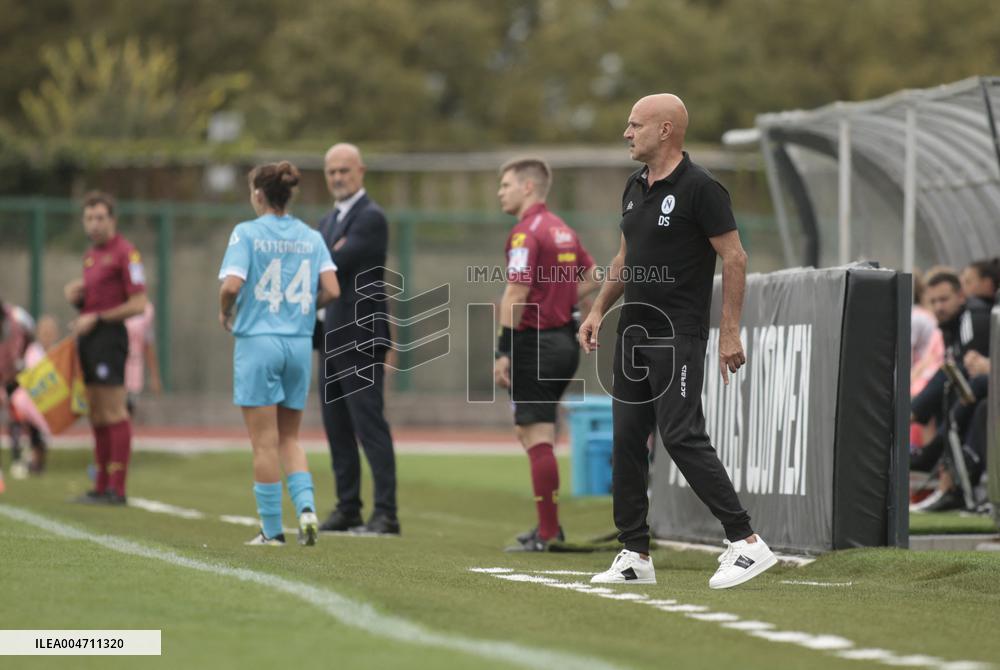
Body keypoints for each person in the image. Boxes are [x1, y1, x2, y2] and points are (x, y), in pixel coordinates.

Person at [578, 94, 776, 589]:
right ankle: (634, 554)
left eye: (635, 125)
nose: (627, 133)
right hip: (633, 333)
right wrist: (599, 309)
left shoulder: (702, 188)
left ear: (665, 130)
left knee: (681, 435)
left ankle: (747, 543)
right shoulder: (634, 185)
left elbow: (735, 258)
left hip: (678, 334)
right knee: (626, 439)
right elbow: (625, 255)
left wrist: (729, 329)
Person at [218, 161, 340, 546]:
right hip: (299, 344)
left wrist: (225, 311)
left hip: (259, 342)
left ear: (258, 194)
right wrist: (304, 306)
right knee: (290, 438)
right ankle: (306, 509)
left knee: (264, 443)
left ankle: (272, 531)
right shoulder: (311, 236)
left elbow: (232, 285)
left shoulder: (246, 233)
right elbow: (333, 290)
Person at [493, 157, 599, 552]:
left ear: (527, 187)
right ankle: (548, 525)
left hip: (534, 344)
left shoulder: (524, 234)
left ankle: (549, 531)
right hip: (563, 342)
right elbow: (593, 275)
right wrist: (563, 299)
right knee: (536, 432)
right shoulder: (563, 231)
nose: (500, 192)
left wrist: (503, 350)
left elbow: (516, 294)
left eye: (505, 185)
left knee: (535, 434)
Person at [315, 143, 399, 535]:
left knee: (369, 424)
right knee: (336, 425)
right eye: (331, 171)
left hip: (360, 334)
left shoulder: (371, 217)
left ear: (361, 171)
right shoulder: (327, 220)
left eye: (344, 170)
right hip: (331, 334)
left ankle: (386, 513)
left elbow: (332, 264)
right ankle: (348, 506)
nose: (337, 178)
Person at [65, 192, 147, 505]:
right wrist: (78, 299)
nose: (95, 224)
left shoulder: (127, 253)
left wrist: (96, 317)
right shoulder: (90, 255)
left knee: (114, 410)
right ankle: (100, 485)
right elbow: (95, 300)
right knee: (97, 413)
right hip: (90, 339)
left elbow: (139, 303)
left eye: (100, 217)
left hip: (110, 337)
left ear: (112, 220)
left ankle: (118, 488)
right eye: (89, 218)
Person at [124, 301, 162, 414]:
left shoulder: (146, 311)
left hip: (134, 367)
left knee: (129, 407)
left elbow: (148, 346)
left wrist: (154, 376)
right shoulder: (112, 303)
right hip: (114, 365)